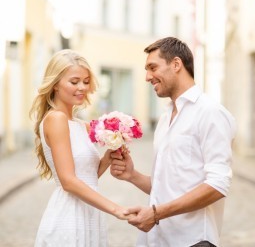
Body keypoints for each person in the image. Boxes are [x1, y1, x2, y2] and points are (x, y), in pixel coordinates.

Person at [110, 37, 236, 247]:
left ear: (176, 64)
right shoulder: (165, 116)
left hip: (192, 240)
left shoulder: (210, 113)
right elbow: (166, 187)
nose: (147, 77)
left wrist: (156, 213)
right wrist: (132, 176)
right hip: (157, 240)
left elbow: (217, 185)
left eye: (152, 67)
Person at [29, 49, 131, 247]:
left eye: (85, 81)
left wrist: (107, 159)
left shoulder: (79, 124)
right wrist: (116, 209)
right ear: (56, 84)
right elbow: (68, 181)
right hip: (69, 216)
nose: (82, 87)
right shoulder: (56, 119)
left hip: (89, 212)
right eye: (74, 81)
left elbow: (88, 177)